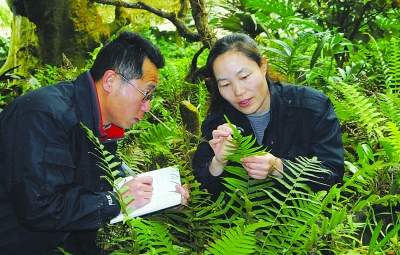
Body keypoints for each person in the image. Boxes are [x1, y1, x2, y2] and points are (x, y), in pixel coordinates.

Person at [0, 31, 189, 255]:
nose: (147, 106)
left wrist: (158, 198)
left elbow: (94, 192)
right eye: (146, 93)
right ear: (110, 80)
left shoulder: (102, 125)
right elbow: (39, 208)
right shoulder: (44, 116)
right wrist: (117, 200)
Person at [193, 33, 344, 201]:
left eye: (244, 77)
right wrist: (218, 162)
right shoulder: (219, 122)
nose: (238, 91)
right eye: (226, 84)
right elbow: (202, 193)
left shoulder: (312, 108)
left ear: (263, 66)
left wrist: (279, 168)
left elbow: (333, 175)